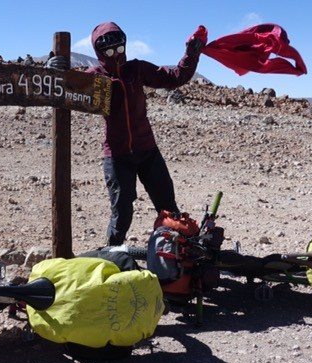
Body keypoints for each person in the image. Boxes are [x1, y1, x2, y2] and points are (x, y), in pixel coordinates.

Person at [50, 22, 206, 245]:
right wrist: (54, 69)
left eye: (120, 49)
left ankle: (180, 258)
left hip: (147, 151)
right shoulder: (95, 77)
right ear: (99, 51)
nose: (116, 55)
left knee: (168, 209)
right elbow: (67, 90)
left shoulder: (137, 69)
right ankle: (112, 256)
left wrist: (192, 52)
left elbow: (175, 77)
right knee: (122, 213)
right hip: (117, 155)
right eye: (110, 51)